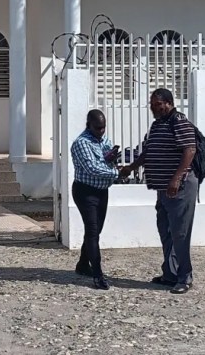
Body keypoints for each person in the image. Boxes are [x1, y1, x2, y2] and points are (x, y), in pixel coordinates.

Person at [119, 88, 197, 294]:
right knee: (166, 231)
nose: (153, 108)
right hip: (162, 189)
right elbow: (148, 153)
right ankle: (170, 274)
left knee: (180, 233)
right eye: (152, 105)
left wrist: (176, 178)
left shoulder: (179, 121)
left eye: (157, 105)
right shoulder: (157, 125)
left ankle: (185, 276)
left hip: (179, 188)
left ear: (168, 103)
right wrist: (130, 167)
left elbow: (190, 150)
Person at [70, 109, 119, 290]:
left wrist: (111, 158)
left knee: (96, 230)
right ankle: (97, 274)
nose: (101, 131)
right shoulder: (81, 143)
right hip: (85, 191)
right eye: (97, 128)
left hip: (101, 191)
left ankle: (83, 264)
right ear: (88, 125)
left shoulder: (105, 140)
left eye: (103, 127)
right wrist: (117, 173)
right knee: (91, 230)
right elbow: (92, 168)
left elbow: (104, 162)